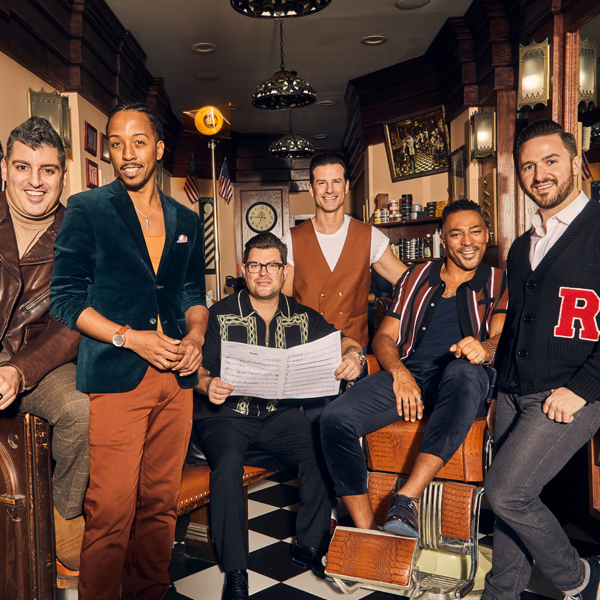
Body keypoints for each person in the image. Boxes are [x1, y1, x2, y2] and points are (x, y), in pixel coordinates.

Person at [50, 102, 209, 600]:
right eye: (116, 143)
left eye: (138, 141)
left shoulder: (186, 215)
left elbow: (192, 294)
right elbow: (66, 299)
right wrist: (129, 337)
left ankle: (151, 591)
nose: (126, 153)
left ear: (159, 149)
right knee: (111, 510)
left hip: (177, 381)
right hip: (118, 375)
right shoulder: (88, 208)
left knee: (160, 505)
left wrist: (196, 339)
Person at [320, 200, 508, 536]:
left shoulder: (499, 281)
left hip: (466, 375)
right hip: (412, 371)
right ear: (442, 239)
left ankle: (407, 498)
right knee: (334, 419)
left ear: (486, 234)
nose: (468, 241)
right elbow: (385, 338)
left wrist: (484, 349)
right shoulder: (417, 275)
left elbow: (499, 336)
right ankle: (366, 533)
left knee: (463, 371)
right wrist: (399, 373)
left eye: (475, 231)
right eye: (456, 233)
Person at [195, 232, 363, 600]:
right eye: (255, 265)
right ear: (243, 270)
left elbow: (345, 341)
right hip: (226, 415)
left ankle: (310, 544)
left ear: (285, 270)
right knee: (226, 466)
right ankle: (236, 571)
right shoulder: (218, 314)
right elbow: (194, 371)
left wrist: (354, 356)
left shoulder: (302, 316)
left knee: (322, 450)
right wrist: (207, 384)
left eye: (272, 265)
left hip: (278, 418)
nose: (264, 273)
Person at [482, 120, 600, 600]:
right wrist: (497, 391)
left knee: (505, 492)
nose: (539, 173)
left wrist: (584, 389)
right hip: (513, 392)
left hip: (573, 392)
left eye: (551, 161)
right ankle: (502, 592)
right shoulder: (521, 245)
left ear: (576, 162)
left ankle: (578, 580)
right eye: (528, 165)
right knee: (512, 504)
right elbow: (515, 326)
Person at [0, 116, 88, 572]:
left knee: (81, 410)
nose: (34, 182)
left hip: (43, 362)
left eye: (47, 170)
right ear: (4, 168)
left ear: (63, 176)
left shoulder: (82, 230)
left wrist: (18, 371)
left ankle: (62, 524)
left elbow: (73, 323)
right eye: (22, 167)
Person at [281, 153, 407, 351]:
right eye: (321, 183)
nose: (330, 190)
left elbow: (409, 283)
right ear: (311, 190)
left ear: (346, 186)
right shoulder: (291, 239)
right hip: (307, 348)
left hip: (356, 348)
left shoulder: (370, 236)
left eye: (336, 182)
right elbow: (282, 300)